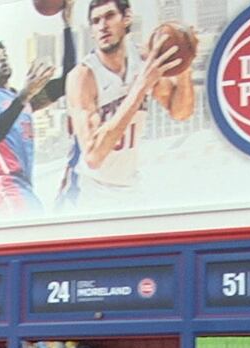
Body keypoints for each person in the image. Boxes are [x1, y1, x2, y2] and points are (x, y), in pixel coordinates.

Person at [59, 0, 194, 209]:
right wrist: (140, 87)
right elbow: (94, 156)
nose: (102, 25)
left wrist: (184, 67)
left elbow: (180, 112)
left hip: (130, 186)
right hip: (90, 190)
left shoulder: (142, 59)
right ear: (91, 32)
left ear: (127, 18)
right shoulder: (83, 77)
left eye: (109, 16)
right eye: (95, 21)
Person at [0, 2, 79, 215]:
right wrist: (25, 94)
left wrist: (67, 25)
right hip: (4, 185)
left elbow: (69, 81)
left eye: (4, 55)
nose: (3, 59)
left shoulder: (24, 100)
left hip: (25, 187)